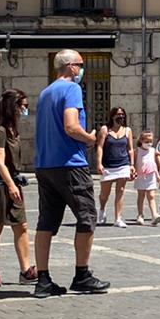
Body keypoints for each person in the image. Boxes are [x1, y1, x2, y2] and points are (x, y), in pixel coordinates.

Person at [32, 49, 109, 296]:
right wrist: (90, 138)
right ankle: (82, 274)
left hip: (45, 165)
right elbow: (71, 125)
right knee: (87, 217)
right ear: (71, 67)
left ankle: (42, 279)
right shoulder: (71, 90)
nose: (82, 70)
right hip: (70, 164)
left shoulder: (45, 93)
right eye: (81, 64)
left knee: (46, 222)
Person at [0, 89, 36, 287]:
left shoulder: (13, 131)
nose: (25, 110)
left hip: (14, 183)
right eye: (23, 106)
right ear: (14, 107)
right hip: (0, 186)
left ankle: (25, 270)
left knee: (22, 226)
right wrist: (11, 185)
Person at [95, 106, 132, 226]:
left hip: (123, 164)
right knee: (104, 194)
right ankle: (102, 209)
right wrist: (99, 163)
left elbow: (130, 149)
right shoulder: (105, 129)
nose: (121, 117)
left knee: (120, 191)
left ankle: (118, 218)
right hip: (108, 165)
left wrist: (132, 165)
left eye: (122, 115)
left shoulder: (127, 130)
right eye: (118, 114)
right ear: (112, 116)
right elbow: (100, 147)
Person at [131, 129, 160, 224]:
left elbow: (154, 164)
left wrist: (157, 175)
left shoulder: (153, 151)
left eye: (151, 142)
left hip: (151, 176)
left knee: (151, 196)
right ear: (141, 141)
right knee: (141, 196)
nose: (149, 144)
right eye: (146, 142)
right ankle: (140, 214)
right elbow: (134, 163)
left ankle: (154, 214)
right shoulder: (137, 151)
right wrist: (133, 171)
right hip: (141, 176)